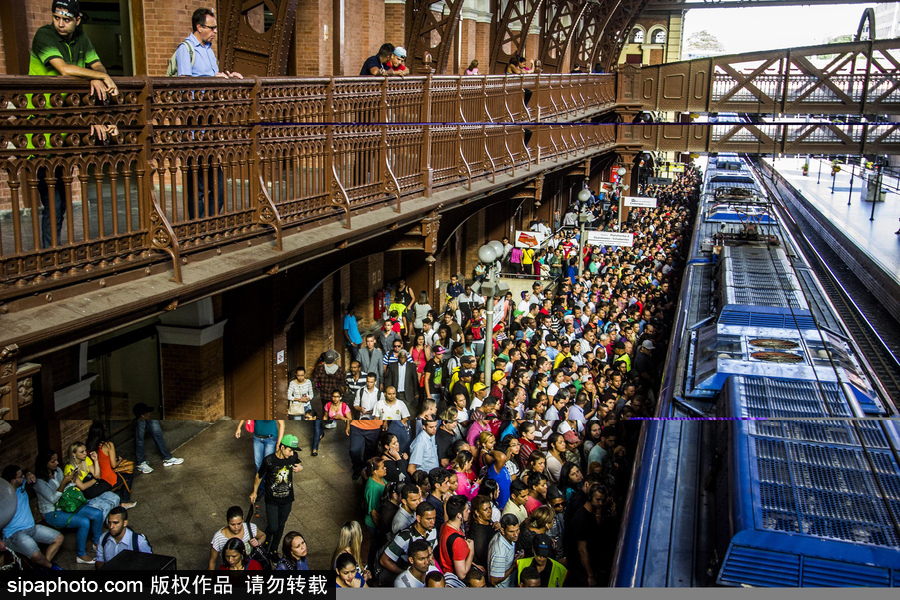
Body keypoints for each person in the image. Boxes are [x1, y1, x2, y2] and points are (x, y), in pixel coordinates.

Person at [29, 0, 120, 249]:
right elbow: (65, 70)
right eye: (57, 17)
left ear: (77, 20)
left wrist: (99, 74)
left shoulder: (81, 36)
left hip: (67, 125)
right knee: (53, 201)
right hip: (41, 129)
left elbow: (96, 63)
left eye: (66, 19)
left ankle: (53, 250)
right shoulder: (44, 35)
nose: (60, 23)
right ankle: (50, 254)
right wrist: (100, 76)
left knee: (62, 200)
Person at [174, 8, 242, 219]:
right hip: (194, 125)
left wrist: (227, 78)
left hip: (210, 124)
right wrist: (212, 81)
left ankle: (209, 225)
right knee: (198, 187)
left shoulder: (210, 51)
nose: (214, 32)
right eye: (211, 28)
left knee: (218, 188)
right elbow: (185, 86)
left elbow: (214, 77)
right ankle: (197, 228)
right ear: (199, 27)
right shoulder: (186, 49)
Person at [33, 449, 104, 565]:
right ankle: (81, 554)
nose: (56, 463)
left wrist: (71, 481)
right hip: (53, 512)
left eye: (56, 460)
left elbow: (67, 490)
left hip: (67, 505)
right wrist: (63, 483)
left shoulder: (58, 471)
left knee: (97, 514)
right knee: (84, 522)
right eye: (53, 461)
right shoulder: (39, 482)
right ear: (44, 464)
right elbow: (52, 499)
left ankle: (97, 542)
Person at [249, 434, 303, 558]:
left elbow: (298, 463)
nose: (291, 453)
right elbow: (259, 476)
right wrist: (254, 492)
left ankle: (273, 550)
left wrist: (301, 467)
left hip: (287, 499)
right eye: (289, 450)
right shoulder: (269, 460)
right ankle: (264, 546)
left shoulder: (292, 456)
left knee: (280, 525)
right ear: (282, 447)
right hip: (272, 500)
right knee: (273, 526)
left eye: (293, 451)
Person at [1, 465, 65, 569]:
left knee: (59, 538)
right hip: (15, 534)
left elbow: (27, 470)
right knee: (36, 555)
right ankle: (52, 568)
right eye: (20, 476)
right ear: (13, 480)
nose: (23, 477)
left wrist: (28, 473)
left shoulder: (21, 486)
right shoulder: (3, 497)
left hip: (32, 527)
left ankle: (44, 568)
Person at [381, 502, 438, 581]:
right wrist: (407, 575)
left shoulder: (433, 531)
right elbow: (384, 560)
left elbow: (432, 552)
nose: (433, 522)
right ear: (418, 518)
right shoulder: (404, 537)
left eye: (434, 518)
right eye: (428, 519)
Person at [85, 421, 136, 508]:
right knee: (129, 474)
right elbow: (113, 465)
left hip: (97, 477)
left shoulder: (88, 447)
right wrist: (119, 460)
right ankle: (125, 501)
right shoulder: (108, 445)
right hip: (109, 478)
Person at [208, 505, 265, 570]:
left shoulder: (250, 528)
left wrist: (258, 542)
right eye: (232, 524)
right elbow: (212, 561)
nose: (236, 527)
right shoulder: (218, 537)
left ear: (243, 519)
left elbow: (263, 536)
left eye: (239, 523)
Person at [132, 403, 184, 474]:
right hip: (140, 414)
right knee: (140, 439)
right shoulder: (140, 417)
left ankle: (167, 458)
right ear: (143, 415)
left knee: (157, 434)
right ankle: (140, 463)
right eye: (148, 413)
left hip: (144, 406)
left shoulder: (147, 415)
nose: (149, 414)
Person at [436, 495, 474, 579]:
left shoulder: (445, 525)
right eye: (467, 510)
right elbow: (462, 574)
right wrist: (471, 551)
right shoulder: (457, 541)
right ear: (459, 515)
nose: (469, 512)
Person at [488, 513, 524, 587]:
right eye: (511, 531)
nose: (516, 534)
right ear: (503, 531)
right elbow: (493, 581)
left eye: (517, 530)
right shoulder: (499, 552)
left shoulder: (509, 538)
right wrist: (513, 566)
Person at [313, 349, 345, 430]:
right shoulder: (340, 370)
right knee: (334, 408)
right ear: (334, 359)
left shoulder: (319, 368)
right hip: (335, 395)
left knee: (325, 408)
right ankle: (332, 422)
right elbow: (342, 383)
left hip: (324, 394)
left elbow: (314, 381)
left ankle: (327, 422)